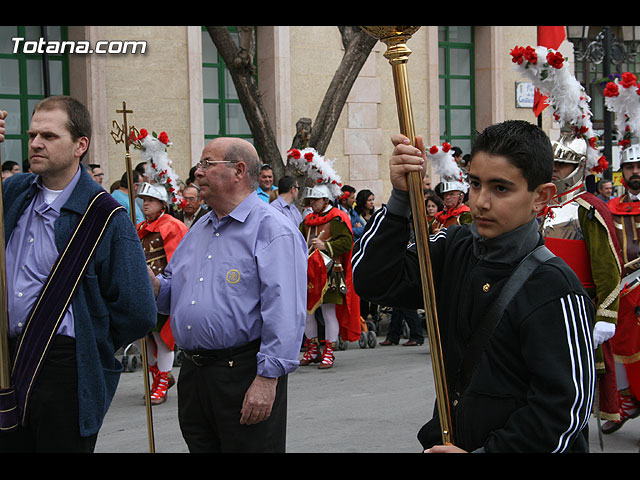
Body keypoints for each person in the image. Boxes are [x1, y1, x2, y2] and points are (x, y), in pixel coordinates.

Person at [353, 120, 595, 453]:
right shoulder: (454, 246)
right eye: (476, 183)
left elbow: (562, 414)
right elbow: (372, 281)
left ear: (541, 196)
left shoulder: (556, 287)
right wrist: (400, 199)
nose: (480, 201)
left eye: (501, 188)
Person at [0, 97, 156, 452]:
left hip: (66, 370)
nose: (36, 143)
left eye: (50, 136)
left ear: (80, 146)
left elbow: (138, 310)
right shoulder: (12, 193)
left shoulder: (107, 217)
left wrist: (90, 339)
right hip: (6, 360)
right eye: (32, 134)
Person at [148, 137, 307, 452]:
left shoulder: (272, 229)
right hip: (195, 373)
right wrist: (144, 276)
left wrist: (267, 379)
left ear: (238, 170)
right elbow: (169, 296)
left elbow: (285, 311)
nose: (198, 172)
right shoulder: (198, 229)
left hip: (243, 372)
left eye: (207, 163)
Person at [539, 134, 622, 427]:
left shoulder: (590, 210)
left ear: (578, 166)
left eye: (562, 164)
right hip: (539, 306)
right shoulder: (538, 207)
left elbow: (608, 269)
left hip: (578, 310)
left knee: (574, 395)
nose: (555, 169)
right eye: (552, 163)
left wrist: (606, 317)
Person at [136, 182, 188, 405]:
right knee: (140, 336)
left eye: (151, 200)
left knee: (161, 337)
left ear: (162, 204)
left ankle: (161, 383)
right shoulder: (139, 227)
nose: (146, 204)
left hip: (162, 289)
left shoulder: (172, 226)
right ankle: (161, 374)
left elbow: (177, 260)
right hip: (141, 290)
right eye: (144, 200)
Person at [299, 183, 361, 369]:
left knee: (328, 311)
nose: (312, 203)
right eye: (311, 200)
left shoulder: (338, 218)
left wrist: (326, 246)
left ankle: (329, 351)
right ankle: (312, 348)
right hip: (309, 272)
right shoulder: (307, 220)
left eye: (316, 200)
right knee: (307, 313)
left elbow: (347, 242)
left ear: (326, 200)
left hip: (331, 271)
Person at [604, 144, 640, 434]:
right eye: (630, 167)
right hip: (624, 290)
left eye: (639, 166)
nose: (635, 171)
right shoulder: (612, 207)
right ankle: (629, 401)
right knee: (618, 346)